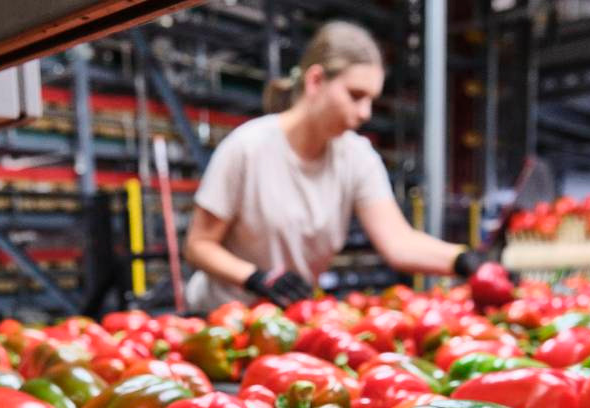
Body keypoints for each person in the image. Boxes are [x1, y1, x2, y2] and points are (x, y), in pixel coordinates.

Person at [183, 20, 495, 313]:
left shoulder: (357, 158)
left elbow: (398, 241)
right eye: (356, 96)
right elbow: (198, 245)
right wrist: (254, 277)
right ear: (316, 80)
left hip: (290, 317)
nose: (365, 113)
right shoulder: (247, 147)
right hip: (221, 316)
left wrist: (464, 259)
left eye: (371, 100)